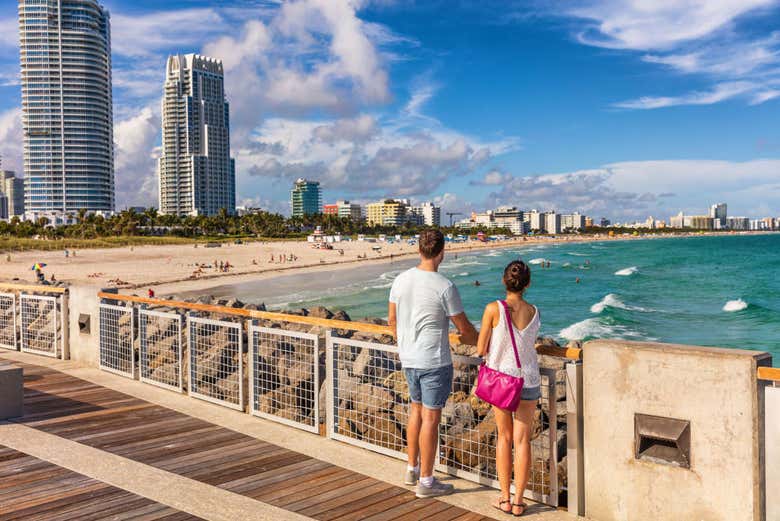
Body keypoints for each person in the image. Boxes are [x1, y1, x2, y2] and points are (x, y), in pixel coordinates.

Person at [388, 229, 478, 498]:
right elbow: (464, 330)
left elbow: (392, 320)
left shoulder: (400, 280)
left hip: (409, 359)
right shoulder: (444, 286)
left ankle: (412, 468)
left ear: (419, 250)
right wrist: (486, 341)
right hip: (433, 361)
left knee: (415, 412)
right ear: (442, 252)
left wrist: (404, 342)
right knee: (431, 419)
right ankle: (426, 482)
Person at [476, 260, 541, 516]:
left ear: (504, 281)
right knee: (523, 440)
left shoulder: (494, 309)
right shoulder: (535, 311)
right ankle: (519, 502)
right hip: (529, 380)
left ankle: (504, 498)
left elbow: (481, 348)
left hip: (504, 380)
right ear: (528, 284)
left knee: (504, 437)